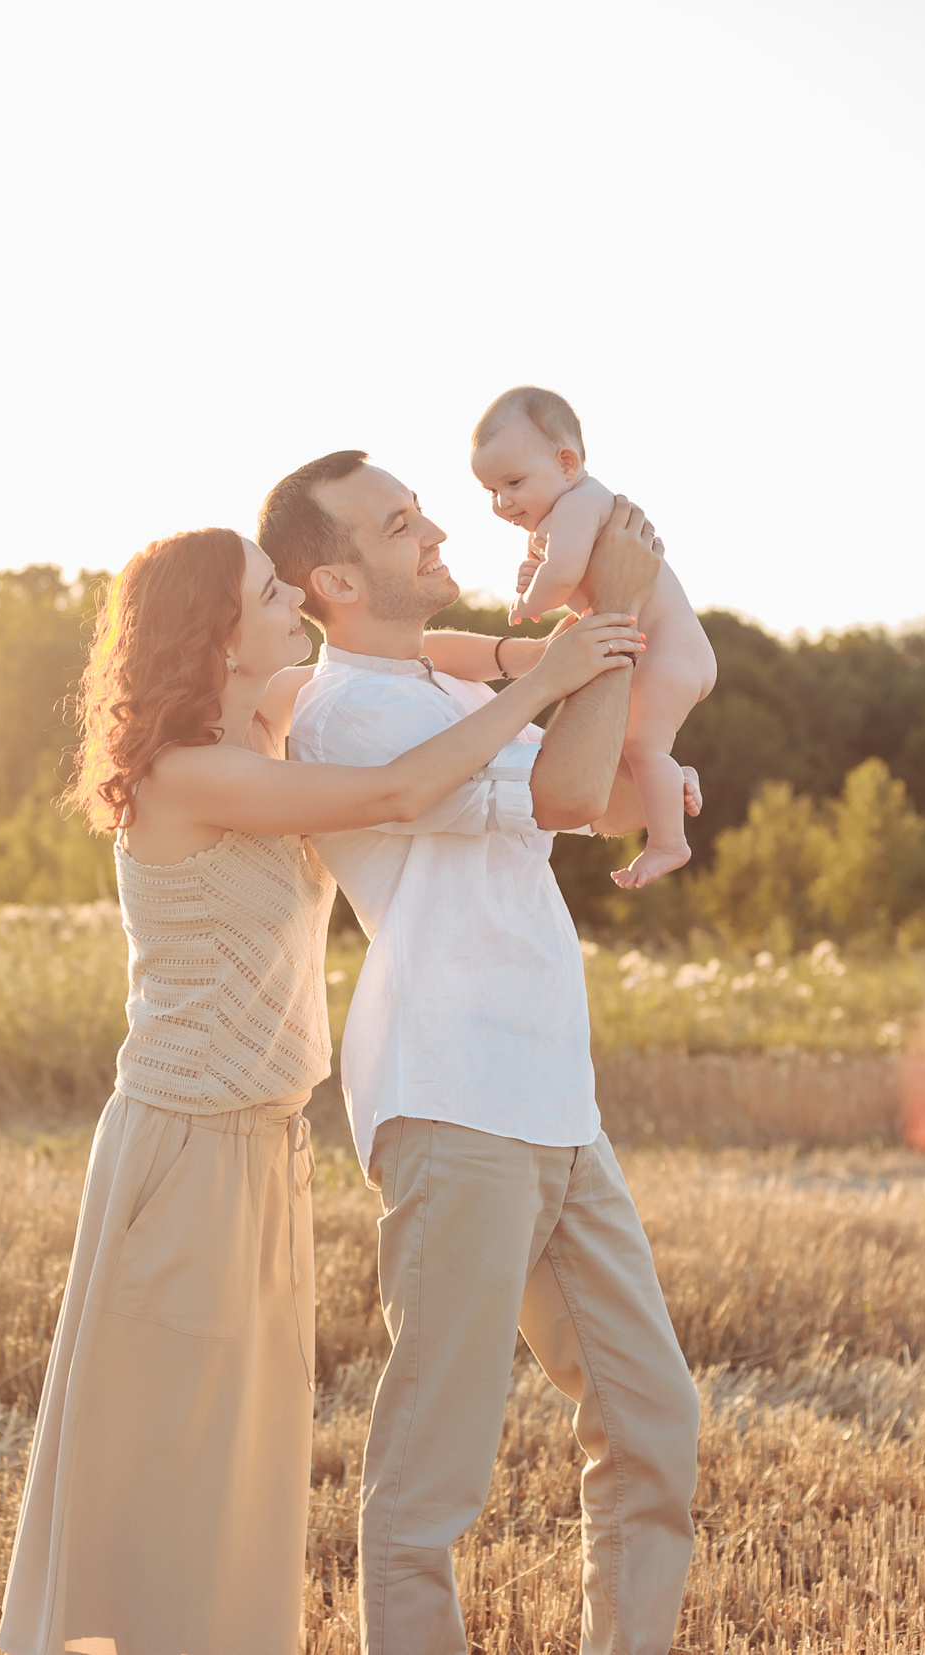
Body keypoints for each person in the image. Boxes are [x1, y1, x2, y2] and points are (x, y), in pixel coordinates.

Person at [0, 525, 641, 1655]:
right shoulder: (187, 773)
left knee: (242, 1453)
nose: (289, 594)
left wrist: (500, 655)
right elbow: (397, 783)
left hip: (263, 1145)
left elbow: (398, 650)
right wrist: (545, 678)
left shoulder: (278, 703)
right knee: (165, 1454)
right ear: (215, 632)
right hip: (184, 1141)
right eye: (264, 589)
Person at [257, 449, 701, 1655]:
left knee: (652, 1417)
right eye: (402, 525)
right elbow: (563, 789)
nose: (436, 532)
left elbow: (599, 796)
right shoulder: (351, 710)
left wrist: (610, 690)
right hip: (450, 1094)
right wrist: (597, 625)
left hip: (555, 1096)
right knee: (433, 1464)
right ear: (336, 578)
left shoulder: (447, 684)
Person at [473, 385, 718, 889]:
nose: (503, 502)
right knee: (627, 746)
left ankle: (669, 844)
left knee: (643, 746)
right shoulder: (566, 512)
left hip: (670, 653)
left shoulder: (577, 504)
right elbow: (584, 585)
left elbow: (563, 577)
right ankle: (674, 781)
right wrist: (537, 574)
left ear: (566, 462)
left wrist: (529, 600)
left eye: (514, 482)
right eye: (491, 491)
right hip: (669, 651)